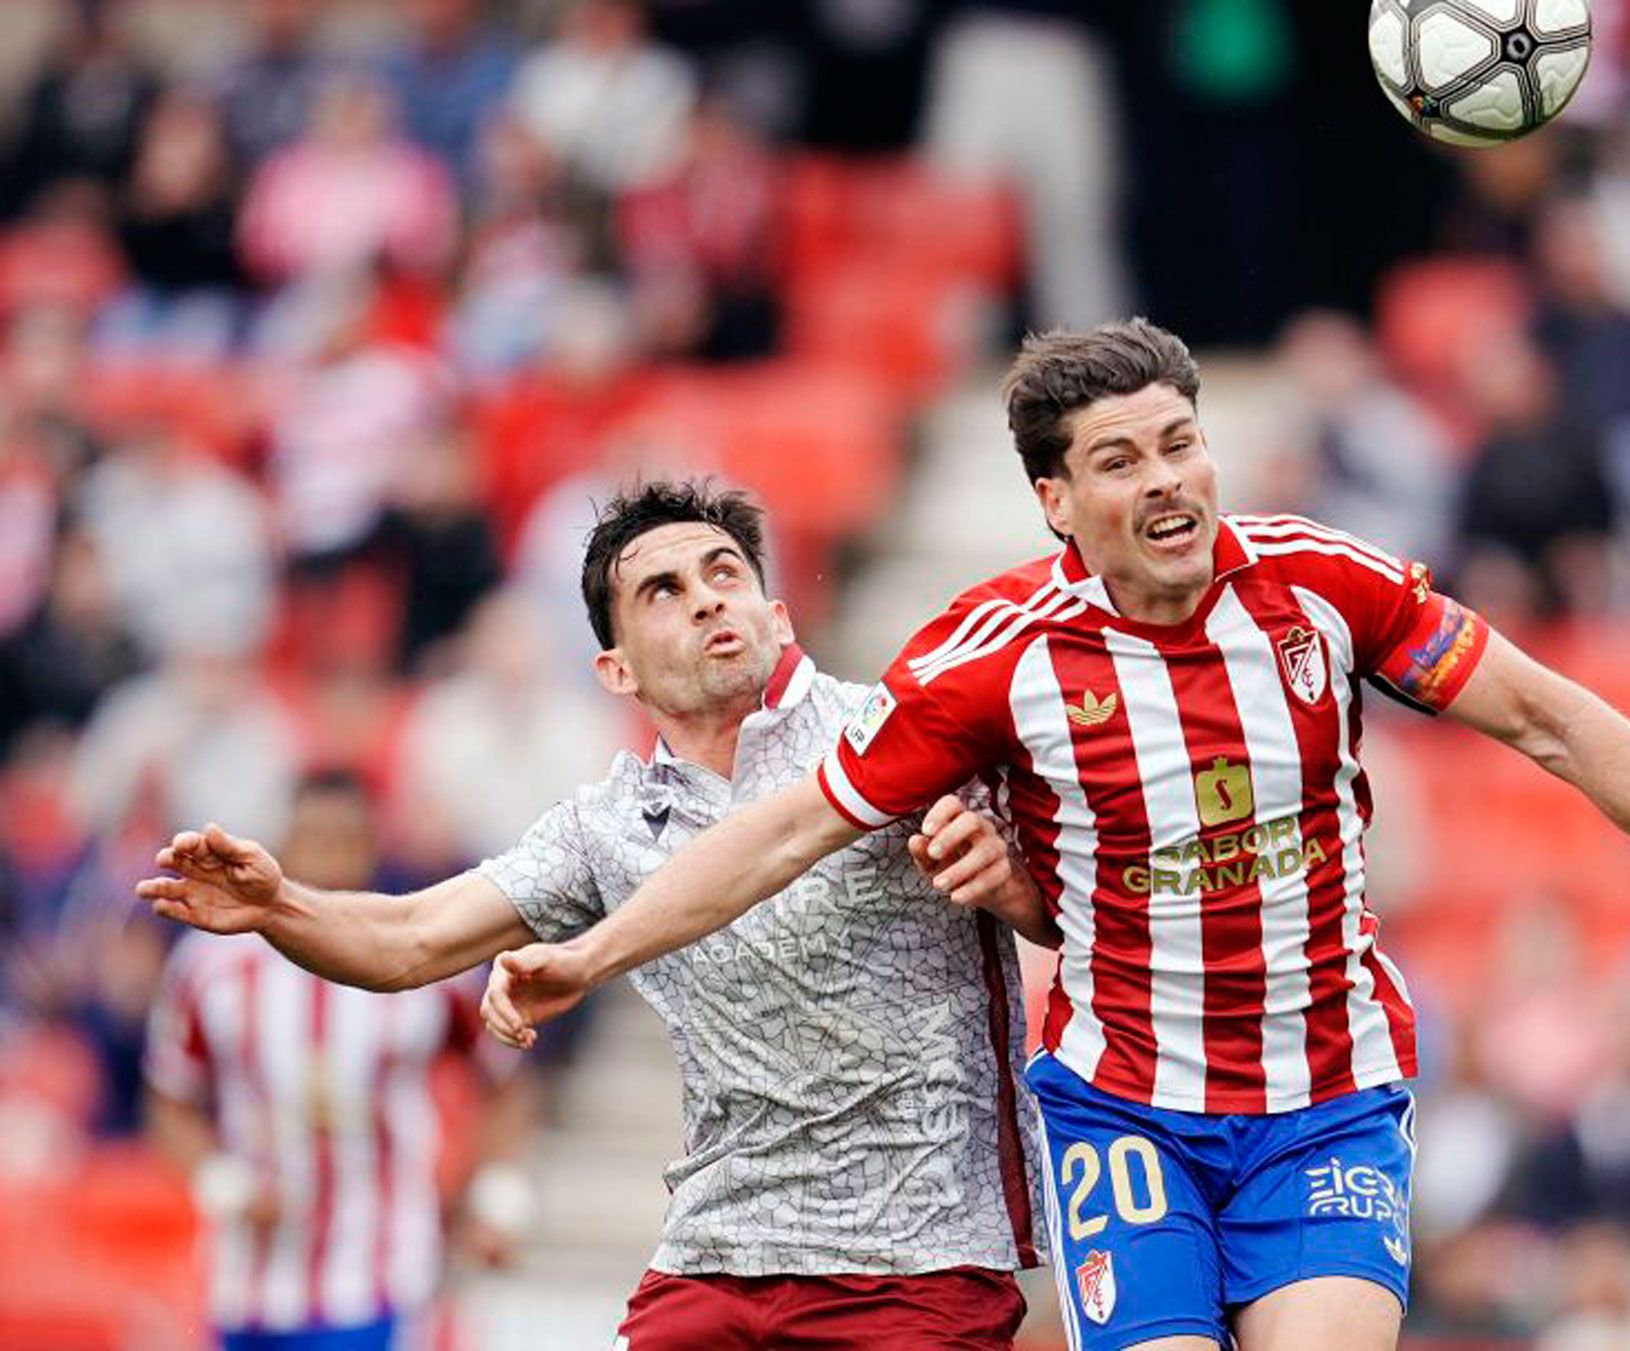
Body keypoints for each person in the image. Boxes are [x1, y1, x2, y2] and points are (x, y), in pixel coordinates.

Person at [477, 318, 1630, 1351]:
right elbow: (783, 831)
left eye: (1179, 440)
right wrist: (591, 954)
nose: (1166, 480)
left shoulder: (1328, 587)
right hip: (1128, 1105)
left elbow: (1552, 720)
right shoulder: (987, 660)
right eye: (1118, 459)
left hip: (1323, 1093)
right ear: (1055, 499)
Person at [139, 480, 1047, 1347]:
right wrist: (280, 905)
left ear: (779, 615)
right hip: (716, 1255)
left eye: (725, 573)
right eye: (664, 589)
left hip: (919, 1253)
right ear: (614, 669)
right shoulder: (608, 826)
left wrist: (1013, 885)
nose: (704, 600)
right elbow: (411, 940)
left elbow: (1083, 911)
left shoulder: (897, 734)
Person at [145, 769, 536, 1351]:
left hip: (382, 1272)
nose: (330, 853)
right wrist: (225, 1184)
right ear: (283, 841)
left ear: (372, 845)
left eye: (346, 837)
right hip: (248, 1282)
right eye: (315, 836)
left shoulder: (426, 960)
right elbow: (171, 1096)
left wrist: (495, 1199)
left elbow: (505, 1080)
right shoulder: (213, 968)